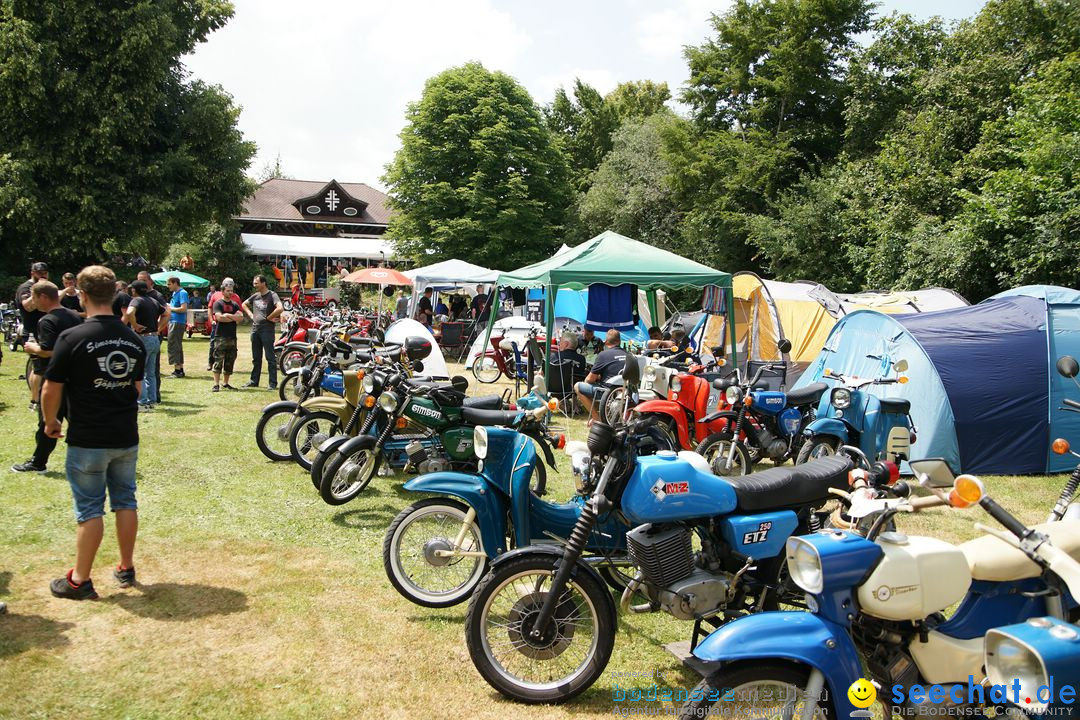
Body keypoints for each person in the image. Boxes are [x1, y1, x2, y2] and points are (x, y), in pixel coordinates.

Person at [42, 265, 146, 600]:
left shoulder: (71, 338)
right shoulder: (132, 339)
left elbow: (50, 388)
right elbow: (138, 388)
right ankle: (126, 567)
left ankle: (79, 580)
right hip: (125, 436)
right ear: (115, 295)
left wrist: (50, 422)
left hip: (88, 438)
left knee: (90, 510)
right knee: (125, 500)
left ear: (82, 295)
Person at [12, 281, 83, 473]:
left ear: (43, 297)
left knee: (47, 420)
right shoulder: (75, 316)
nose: (33, 303)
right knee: (80, 421)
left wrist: (34, 348)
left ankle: (38, 462)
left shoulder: (47, 321)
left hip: (54, 378)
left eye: (34, 298)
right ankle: (97, 458)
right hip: (75, 377)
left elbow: (50, 350)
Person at [125, 280, 163, 411]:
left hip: (143, 338)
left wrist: (134, 326)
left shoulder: (136, 300)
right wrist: (159, 328)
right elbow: (167, 313)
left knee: (139, 372)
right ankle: (152, 400)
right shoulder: (153, 301)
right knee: (151, 372)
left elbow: (129, 313)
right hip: (154, 338)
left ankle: (142, 402)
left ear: (134, 290)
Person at [575, 329, 627, 421]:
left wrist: (598, 377)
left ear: (606, 342)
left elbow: (589, 380)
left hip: (608, 392)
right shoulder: (629, 355)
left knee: (578, 386)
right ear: (619, 341)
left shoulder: (603, 355)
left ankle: (596, 418)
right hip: (626, 391)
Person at [17, 261, 49, 409]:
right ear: (32, 273)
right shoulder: (25, 288)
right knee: (38, 367)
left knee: (45, 366)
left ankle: (44, 395)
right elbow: (28, 307)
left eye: (45, 272)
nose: (43, 275)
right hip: (30, 331)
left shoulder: (47, 287)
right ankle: (34, 401)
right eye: (39, 273)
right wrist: (37, 291)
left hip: (45, 331)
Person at [242, 274, 282, 390]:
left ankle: (272, 383)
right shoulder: (255, 296)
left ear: (263, 283)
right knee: (256, 357)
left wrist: (269, 317)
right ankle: (254, 381)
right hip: (255, 330)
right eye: (254, 283)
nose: (254, 285)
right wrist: (250, 315)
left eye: (256, 283)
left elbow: (280, 308)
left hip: (267, 330)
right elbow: (244, 304)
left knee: (270, 357)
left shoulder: (272, 295)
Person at [136, 271, 166, 404]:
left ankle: (151, 398)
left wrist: (158, 328)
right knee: (149, 369)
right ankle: (151, 398)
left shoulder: (156, 296)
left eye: (143, 280)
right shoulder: (140, 297)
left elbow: (166, 312)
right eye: (139, 280)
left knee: (151, 369)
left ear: (150, 281)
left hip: (150, 336)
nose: (141, 282)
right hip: (148, 336)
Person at [210, 289, 242, 391]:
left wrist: (228, 315)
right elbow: (219, 318)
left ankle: (226, 383)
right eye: (228, 291)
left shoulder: (235, 304)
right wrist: (233, 318)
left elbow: (240, 317)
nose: (230, 292)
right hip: (220, 336)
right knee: (218, 360)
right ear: (222, 292)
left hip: (232, 337)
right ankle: (216, 384)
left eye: (231, 291)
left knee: (230, 360)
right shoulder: (218, 303)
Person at [165, 277, 188, 378]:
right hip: (173, 321)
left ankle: (177, 371)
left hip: (177, 322)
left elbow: (183, 309)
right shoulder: (175, 293)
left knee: (173, 345)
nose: (168, 286)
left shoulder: (183, 293)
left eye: (169, 284)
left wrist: (170, 308)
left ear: (175, 283)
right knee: (177, 345)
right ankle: (180, 369)